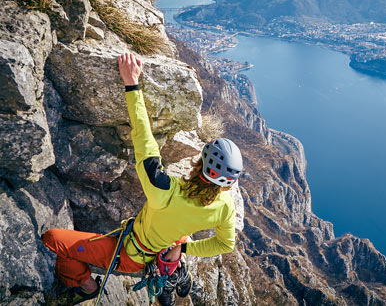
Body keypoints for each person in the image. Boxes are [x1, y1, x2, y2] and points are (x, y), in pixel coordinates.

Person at [42, 53, 243, 305]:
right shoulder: (225, 206)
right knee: (179, 236)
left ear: (199, 164)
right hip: (168, 245)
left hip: (132, 257)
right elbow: (225, 244)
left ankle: (86, 286)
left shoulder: (165, 190)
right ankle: (174, 271)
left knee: (53, 239)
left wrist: (132, 84)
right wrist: (183, 249)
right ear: (229, 182)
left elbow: (144, 140)